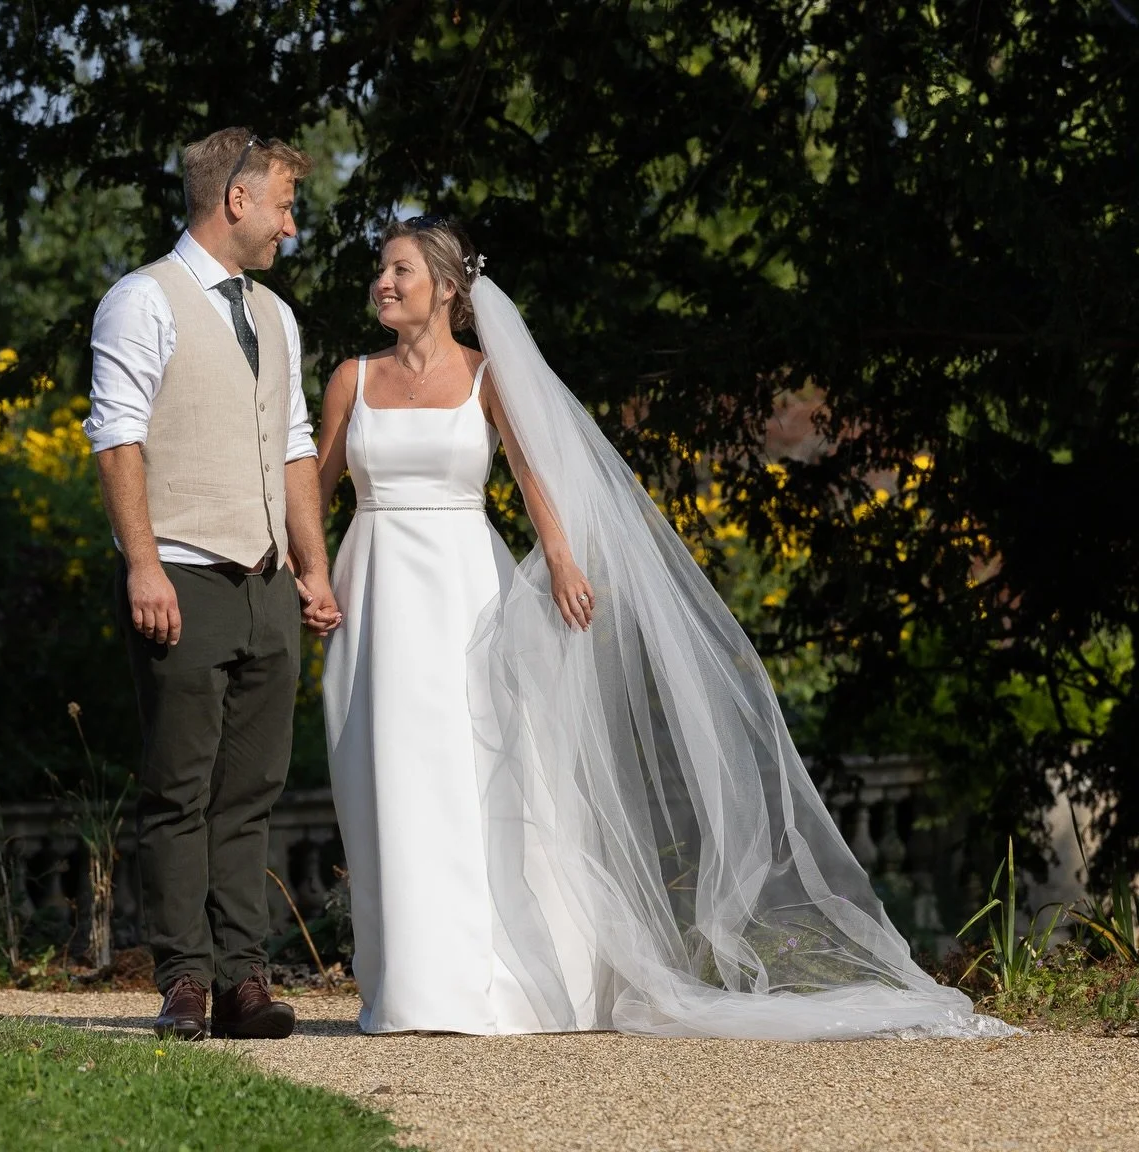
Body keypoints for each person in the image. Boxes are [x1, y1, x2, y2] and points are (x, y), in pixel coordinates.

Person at [318, 216, 1013, 1041]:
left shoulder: (485, 376)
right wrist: (304, 567)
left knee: (480, 782)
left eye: (399, 270)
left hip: (464, 589)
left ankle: (497, 986)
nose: (383, 284)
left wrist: (565, 561)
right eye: (381, 271)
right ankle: (407, 988)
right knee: (386, 780)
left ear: (444, 287)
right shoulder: (349, 380)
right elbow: (314, 482)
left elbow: (534, 475)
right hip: (374, 593)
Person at [85, 128, 339, 1042]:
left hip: (268, 583)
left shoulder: (276, 314)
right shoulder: (141, 301)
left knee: (253, 792)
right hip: (182, 575)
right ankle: (185, 980)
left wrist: (311, 567)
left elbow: (297, 445)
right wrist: (143, 565)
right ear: (235, 200)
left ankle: (244, 980)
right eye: (283, 203)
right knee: (178, 786)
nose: (290, 225)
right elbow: (116, 437)